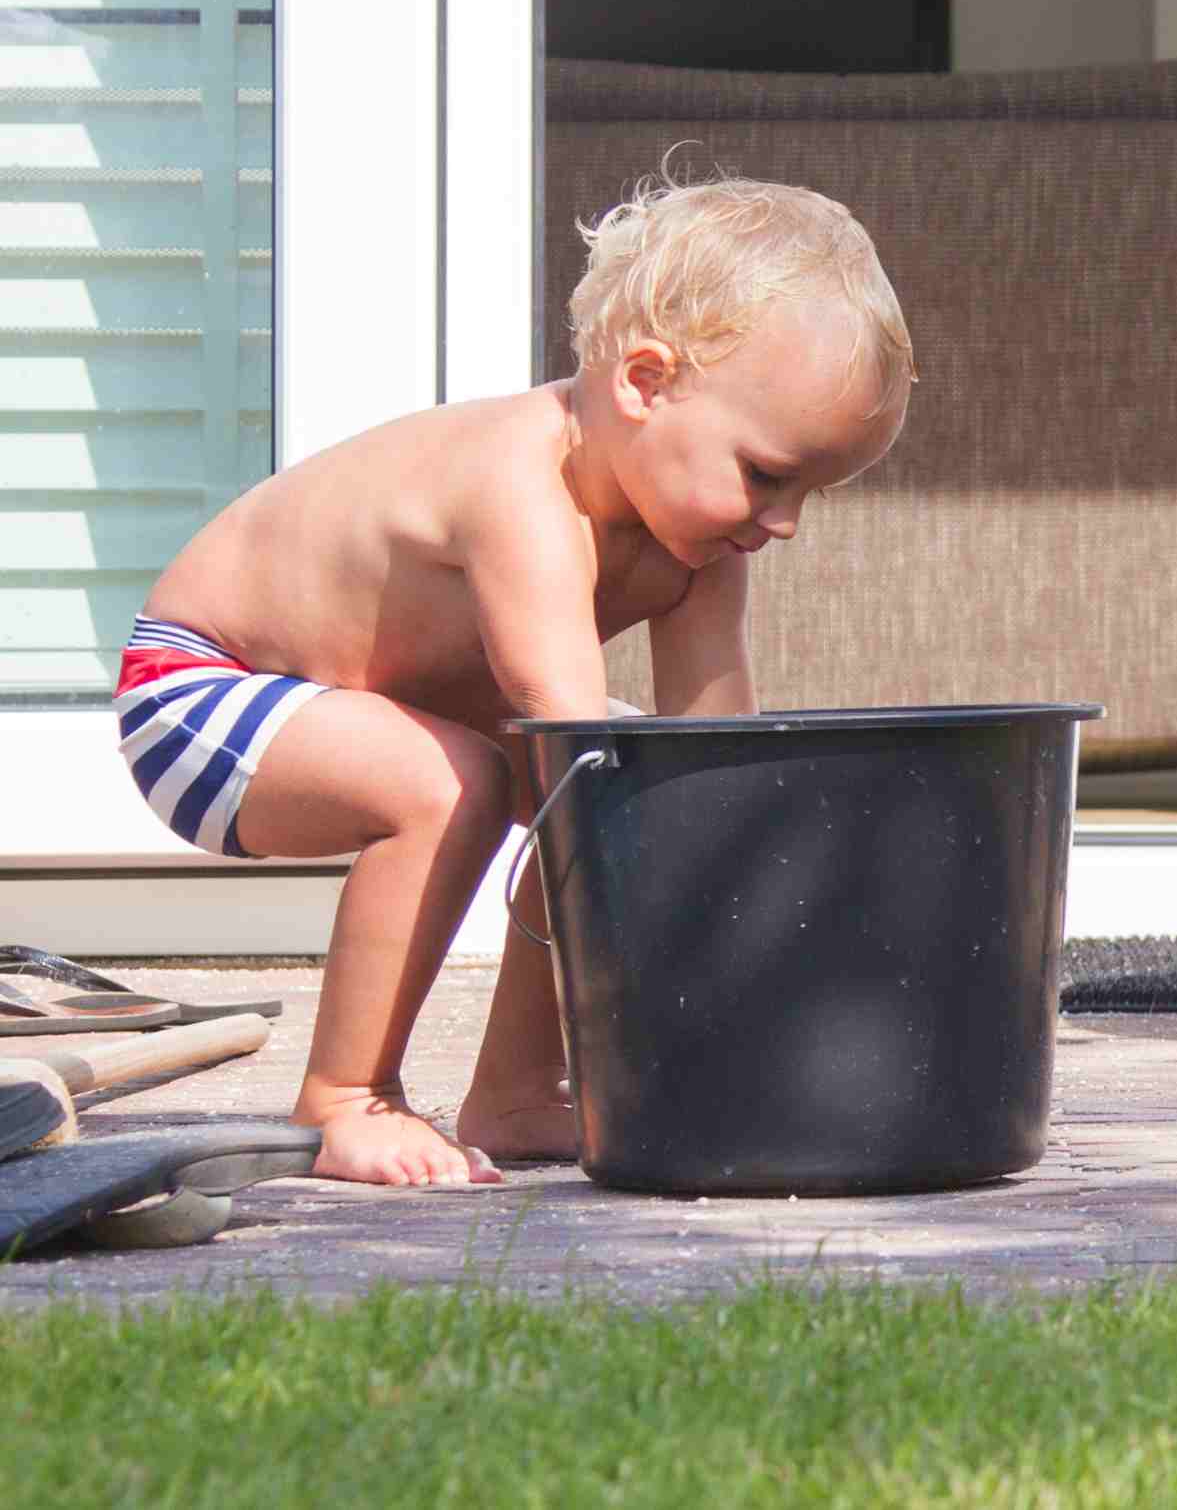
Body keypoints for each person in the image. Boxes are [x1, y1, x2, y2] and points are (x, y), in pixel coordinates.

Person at [116, 177, 912, 1185]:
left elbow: (710, 766)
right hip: (199, 690)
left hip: (358, 709)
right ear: (644, 380)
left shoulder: (702, 545)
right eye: (766, 472)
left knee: (606, 794)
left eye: (812, 490)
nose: (785, 518)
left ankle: (521, 1089)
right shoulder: (519, 484)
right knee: (479, 780)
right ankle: (345, 1098)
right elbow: (563, 720)